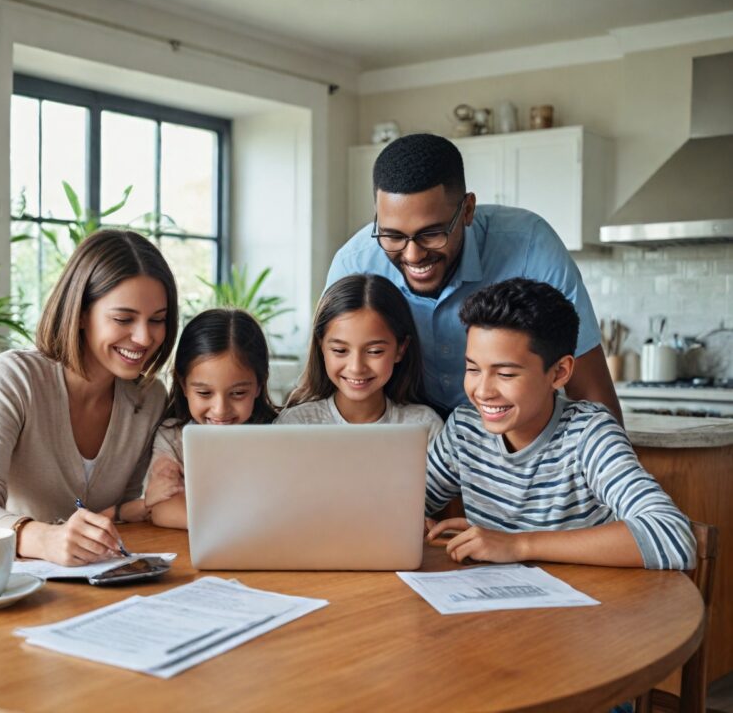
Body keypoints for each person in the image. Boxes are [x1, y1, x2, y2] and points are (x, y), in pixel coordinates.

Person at [326, 133, 622, 424]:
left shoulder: (532, 246)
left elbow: (590, 393)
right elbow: (332, 381)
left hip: (517, 437)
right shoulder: (354, 262)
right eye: (393, 235)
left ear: (467, 210)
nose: (413, 255)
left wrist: (608, 463)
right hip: (407, 437)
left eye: (431, 233)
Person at [0, 229, 182, 566]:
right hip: (1, 573)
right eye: (123, 319)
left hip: (84, 581)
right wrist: (43, 538)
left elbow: (116, 514)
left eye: (157, 320)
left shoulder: (148, 398)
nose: (144, 337)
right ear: (82, 313)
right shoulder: (15, 379)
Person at [424, 277, 695, 570]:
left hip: (584, 608)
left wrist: (517, 543)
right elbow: (405, 504)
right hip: (494, 604)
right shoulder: (464, 430)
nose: (483, 391)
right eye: (473, 369)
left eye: (505, 374)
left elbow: (673, 537)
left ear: (559, 373)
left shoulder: (589, 433)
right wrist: (405, 521)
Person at [147, 308, 278, 530]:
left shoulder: (280, 431)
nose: (220, 410)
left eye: (237, 393)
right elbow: (162, 507)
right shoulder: (174, 437)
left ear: (259, 385)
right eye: (204, 394)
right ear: (183, 385)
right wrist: (235, 525)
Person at [278, 274, 443, 443]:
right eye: (340, 350)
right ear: (321, 347)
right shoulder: (296, 423)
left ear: (401, 349)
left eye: (374, 351)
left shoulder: (423, 425)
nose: (356, 367)